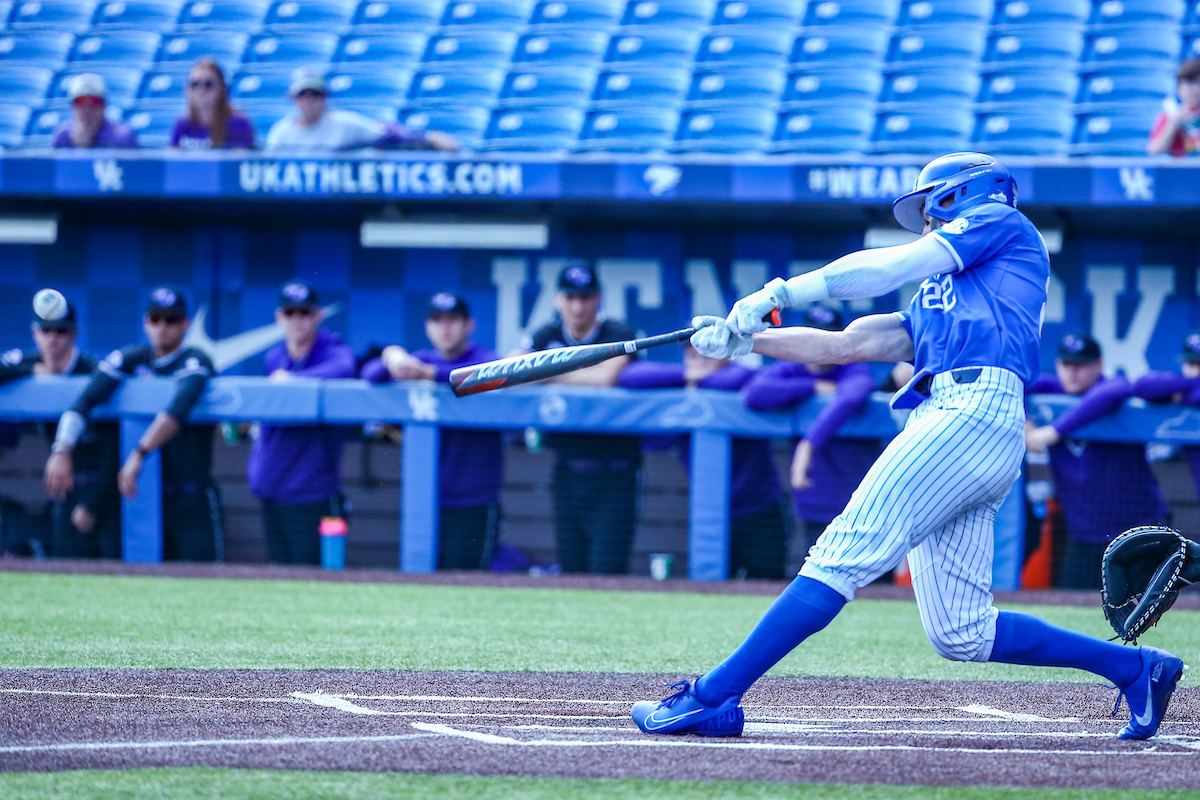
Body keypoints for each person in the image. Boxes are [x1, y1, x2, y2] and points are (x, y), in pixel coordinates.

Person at [630, 152, 1186, 742]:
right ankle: (1135, 668)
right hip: (968, 424)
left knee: (838, 557)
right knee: (961, 632)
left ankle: (712, 697)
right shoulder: (949, 293)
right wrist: (746, 340)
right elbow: (844, 345)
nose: (924, 224)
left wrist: (779, 292)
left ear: (959, 196)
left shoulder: (1003, 226)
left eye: (928, 210)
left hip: (968, 413)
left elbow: (898, 263)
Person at [45, 287, 222, 562]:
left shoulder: (196, 359)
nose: (162, 327)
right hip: (147, 496)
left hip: (191, 495)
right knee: (149, 581)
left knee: (206, 578)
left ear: (185, 324)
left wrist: (139, 453)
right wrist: (61, 449)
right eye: (155, 319)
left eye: (171, 320)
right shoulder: (133, 358)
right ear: (145, 322)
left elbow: (179, 407)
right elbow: (86, 399)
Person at [511, 261, 641, 574]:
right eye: (570, 297)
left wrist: (547, 372)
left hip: (615, 473)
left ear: (598, 298)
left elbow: (606, 377)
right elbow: (514, 368)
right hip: (567, 471)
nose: (577, 306)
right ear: (558, 300)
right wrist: (576, 373)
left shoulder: (618, 332)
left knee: (607, 571)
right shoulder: (548, 333)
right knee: (572, 570)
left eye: (585, 297)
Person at [619, 342, 788, 579]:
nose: (700, 360)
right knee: (713, 589)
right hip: (711, 513)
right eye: (692, 354)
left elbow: (739, 377)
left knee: (767, 584)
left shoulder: (741, 377)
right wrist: (687, 375)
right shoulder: (684, 381)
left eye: (708, 353)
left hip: (759, 508)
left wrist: (695, 381)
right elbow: (629, 376)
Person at [361, 293, 504, 570]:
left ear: (469, 325)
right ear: (428, 327)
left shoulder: (484, 358)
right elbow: (369, 375)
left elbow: (489, 375)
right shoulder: (422, 358)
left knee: (470, 583)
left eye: (453, 320)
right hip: (425, 500)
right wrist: (391, 356)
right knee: (424, 582)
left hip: (473, 501)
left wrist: (430, 375)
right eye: (438, 321)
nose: (445, 327)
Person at [1024, 333, 1169, 589]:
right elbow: (1013, 385)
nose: (1073, 372)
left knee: (1142, 614)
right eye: (1066, 365)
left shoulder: (1111, 391)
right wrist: (1025, 423)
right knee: (1071, 610)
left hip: (1137, 532)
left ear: (1098, 365)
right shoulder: (1053, 390)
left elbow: (1118, 388)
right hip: (1084, 537)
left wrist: (1054, 431)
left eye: (1081, 365)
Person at [740, 304, 879, 566]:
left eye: (825, 338)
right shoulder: (794, 370)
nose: (817, 348)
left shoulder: (853, 370)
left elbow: (852, 394)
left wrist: (808, 445)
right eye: (813, 337)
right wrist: (812, 386)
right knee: (817, 575)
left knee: (872, 587)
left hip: (862, 506)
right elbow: (753, 394)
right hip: (814, 500)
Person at [1, 293, 121, 559]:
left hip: (108, 491)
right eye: (46, 330)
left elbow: (116, 447)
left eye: (61, 331)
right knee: (67, 570)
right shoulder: (29, 363)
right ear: (35, 333)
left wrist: (94, 505)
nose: (53, 338)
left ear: (74, 334)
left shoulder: (93, 371)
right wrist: (31, 372)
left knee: (119, 572)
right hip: (64, 489)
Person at [246, 282, 355, 565]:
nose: (297, 320)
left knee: (314, 582)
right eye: (290, 313)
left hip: (311, 494)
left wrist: (294, 383)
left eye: (304, 313)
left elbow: (344, 367)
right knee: (280, 577)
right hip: (272, 491)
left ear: (318, 315)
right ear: (279, 317)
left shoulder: (331, 349)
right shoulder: (274, 357)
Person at [264, 67, 458, 152]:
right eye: (302, 95)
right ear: (293, 99)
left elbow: (388, 134)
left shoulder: (343, 123)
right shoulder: (281, 133)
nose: (309, 101)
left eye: (315, 94)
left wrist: (429, 138)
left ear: (324, 97)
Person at [1133, 330, 1200, 503]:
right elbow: (1141, 386)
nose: (1197, 371)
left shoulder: (1183, 394)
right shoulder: (1184, 389)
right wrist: (1189, 387)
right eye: (1193, 364)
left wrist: (1185, 393)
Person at [170, 58, 255, 150]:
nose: (201, 90)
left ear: (221, 89)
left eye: (208, 84)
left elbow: (239, 162)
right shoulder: (183, 125)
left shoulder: (238, 125)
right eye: (195, 84)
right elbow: (171, 161)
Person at [51, 73, 138, 149]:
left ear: (104, 106)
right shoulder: (63, 136)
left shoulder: (121, 136)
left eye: (94, 101)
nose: (88, 108)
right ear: (72, 107)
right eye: (81, 101)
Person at [1147, 58, 1200, 156]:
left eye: (1198, 83)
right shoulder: (1168, 117)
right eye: (1188, 84)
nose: (1194, 89)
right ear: (1178, 88)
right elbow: (1155, 151)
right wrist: (1174, 122)